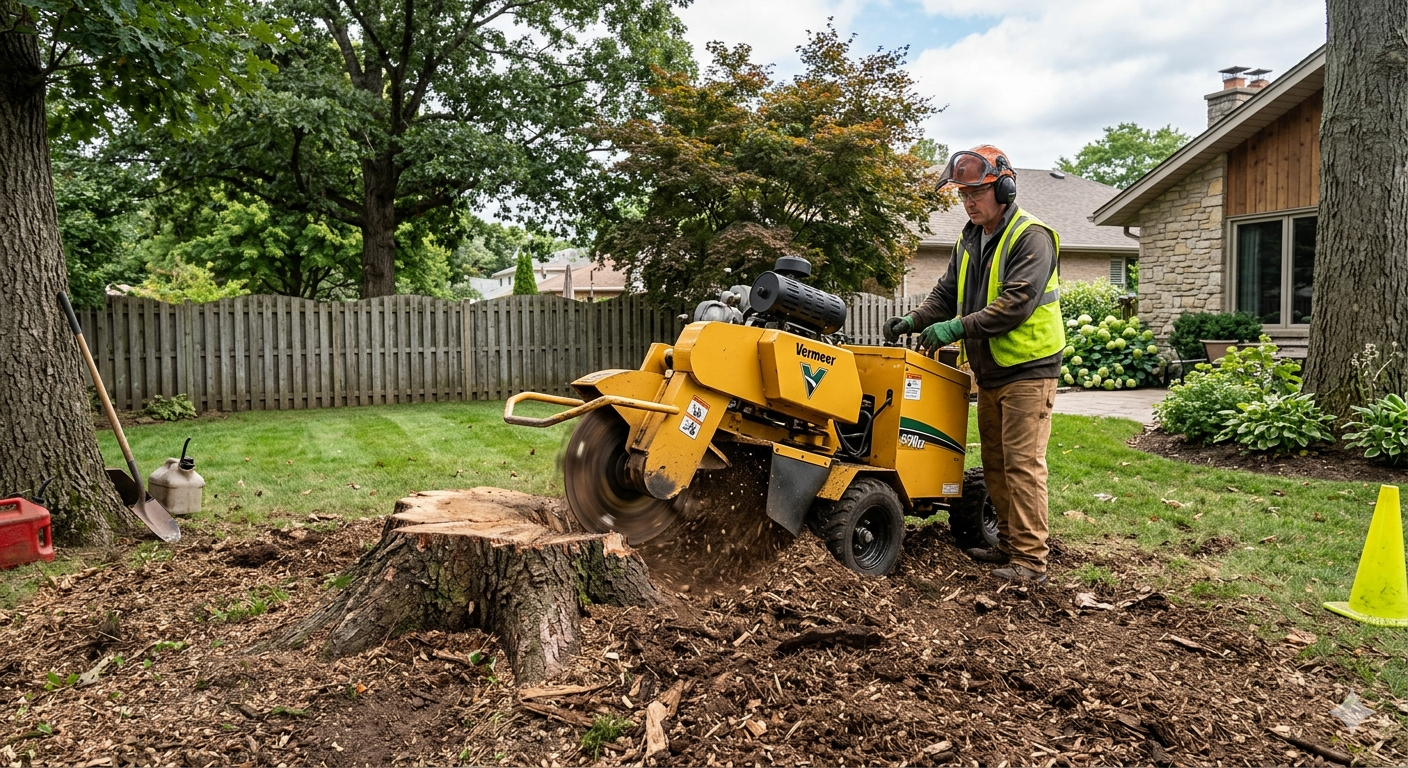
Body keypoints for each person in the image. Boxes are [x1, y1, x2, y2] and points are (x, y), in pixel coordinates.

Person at [883, 145, 1062, 585]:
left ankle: (1031, 561)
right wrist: (914, 320)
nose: (968, 203)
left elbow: (1016, 304)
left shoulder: (1031, 236)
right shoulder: (970, 239)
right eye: (963, 195)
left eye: (976, 193)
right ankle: (1009, 544)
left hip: (1029, 368)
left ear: (1004, 189)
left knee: (1022, 464)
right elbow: (946, 294)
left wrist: (956, 328)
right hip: (991, 370)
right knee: (996, 464)